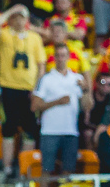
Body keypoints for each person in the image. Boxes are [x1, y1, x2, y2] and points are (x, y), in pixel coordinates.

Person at [0, 4, 45, 181]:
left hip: (28, 90)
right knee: (8, 128)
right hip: (8, 87)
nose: (18, 21)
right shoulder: (5, 35)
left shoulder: (34, 38)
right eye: (15, 17)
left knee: (30, 130)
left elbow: (41, 65)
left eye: (21, 17)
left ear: (27, 20)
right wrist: (10, 10)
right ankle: (8, 168)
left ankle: (24, 170)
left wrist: (37, 88)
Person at [34, 44, 90, 176]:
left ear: (68, 57)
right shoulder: (46, 79)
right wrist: (57, 102)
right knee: (46, 170)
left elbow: (87, 106)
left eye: (63, 55)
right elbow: (35, 105)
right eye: (58, 56)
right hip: (49, 131)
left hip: (70, 131)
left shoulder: (77, 79)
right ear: (54, 58)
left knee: (68, 171)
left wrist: (85, 90)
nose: (60, 59)